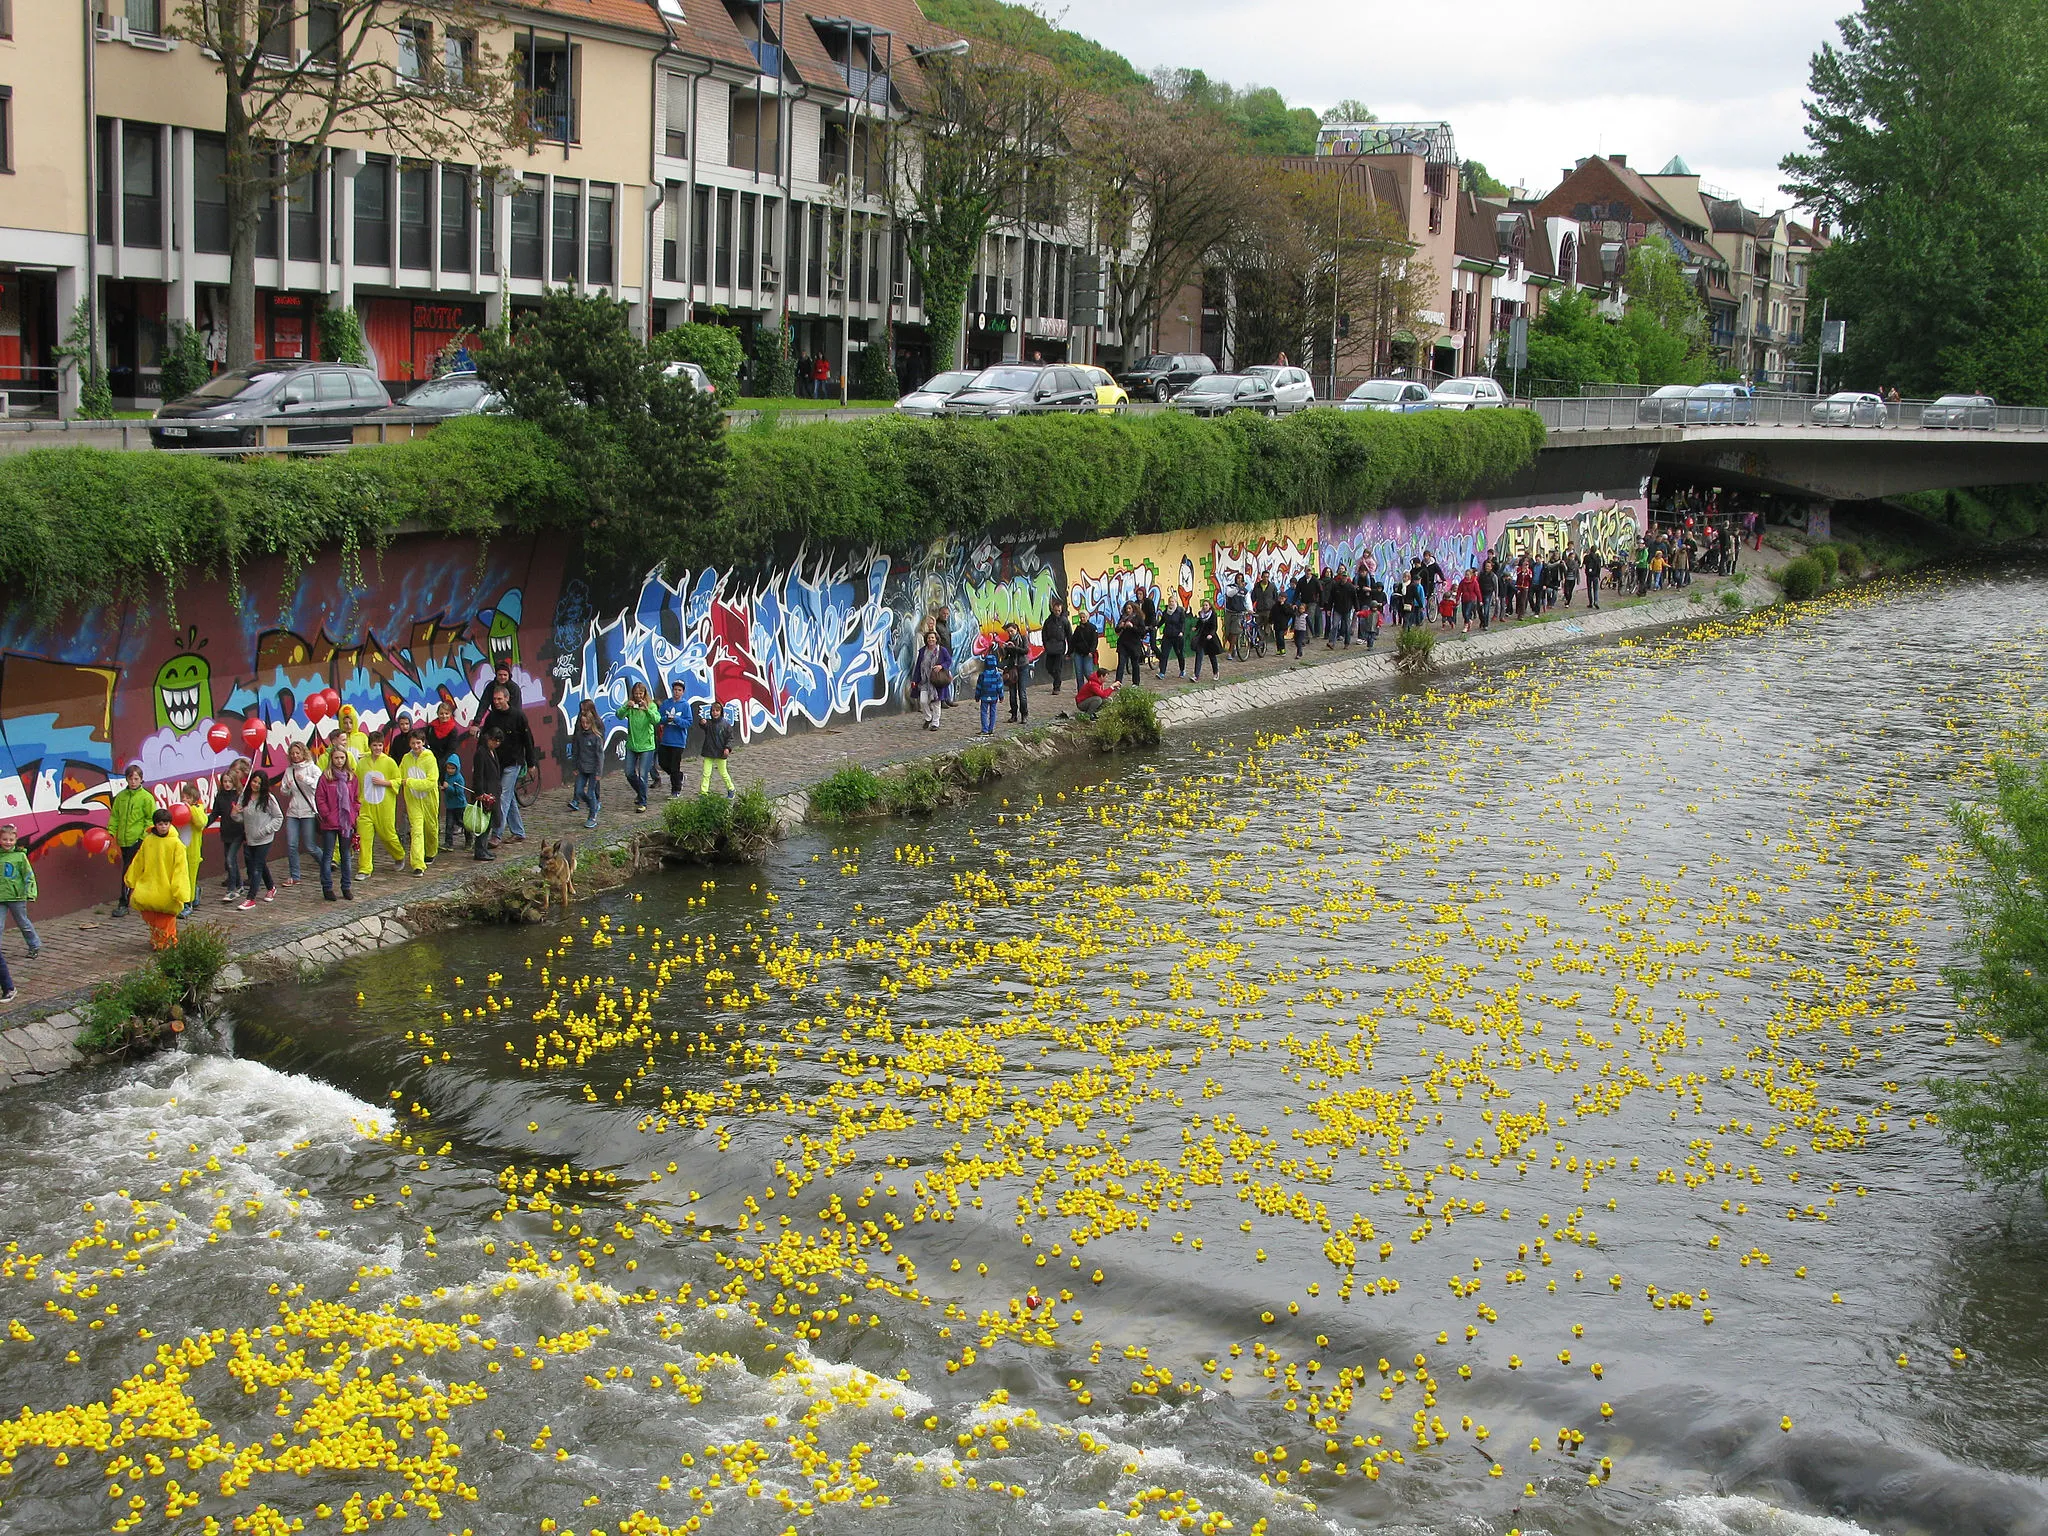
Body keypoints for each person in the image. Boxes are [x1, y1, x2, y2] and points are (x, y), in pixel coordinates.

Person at [125, 809, 193, 951]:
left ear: (170, 824)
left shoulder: (176, 844)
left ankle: (166, 942)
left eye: (166, 824)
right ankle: (159, 939)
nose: (163, 827)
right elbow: (139, 861)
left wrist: (180, 889)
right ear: (155, 824)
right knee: (151, 916)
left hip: (167, 888)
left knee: (165, 918)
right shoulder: (149, 840)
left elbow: (180, 869)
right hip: (149, 885)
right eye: (160, 824)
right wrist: (131, 878)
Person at [477, 684, 535, 845]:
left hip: (513, 762)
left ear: (507, 698)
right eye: (494, 699)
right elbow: (483, 739)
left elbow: (528, 740)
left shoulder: (518, 716)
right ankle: (518, 831)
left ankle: (497, 834)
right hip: (496, 763)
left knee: (502, 797)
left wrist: (531, 763)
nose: (496, 702)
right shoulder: (491, 717)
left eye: (499, 699)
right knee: (508, 798)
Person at [354, 729, 405, 878]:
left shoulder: (389, 762)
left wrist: (385, 782)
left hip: (385, 806)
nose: (377, 748)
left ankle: (399, 854)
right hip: (365, 807)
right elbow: (357, 783)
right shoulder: (362, 763)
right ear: (370, 746)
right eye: (375, 745)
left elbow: (398, 781)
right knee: (364, 838)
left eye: (380, 745)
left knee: (388, 835)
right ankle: (364, 868)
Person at [315, 747, 360, 900]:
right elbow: (320, 798)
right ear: (331, 759)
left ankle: (346, 886)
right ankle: (327, 887)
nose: (339, 761)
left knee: (346, 856)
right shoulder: (326, 777)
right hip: (330, 822)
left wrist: (354, 813)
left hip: (346, 823)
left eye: (342, 758)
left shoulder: (351, 777)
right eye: (336, 758)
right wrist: (327, 814)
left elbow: (355, 799)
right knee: (328, 855)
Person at [109, 764, 155, 915]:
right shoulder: (121, 797)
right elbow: (115, 816)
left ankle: (124, 902)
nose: (133, 781)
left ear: (141, 780)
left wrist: (142, 836)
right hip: (123, 840)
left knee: (128, 870)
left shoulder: (146, 798)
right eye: (131, 778)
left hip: (138, 840)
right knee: (132, 870)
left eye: (136, 779)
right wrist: (110, 832)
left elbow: (151, 818)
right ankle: (137, 897)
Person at [233, 771, 283, 909]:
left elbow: (278, 817)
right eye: (254, 781)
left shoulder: (268, 799)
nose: (255, 785)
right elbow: (241, 818)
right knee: (260, 863)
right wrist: (235, 814)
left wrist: (265, 830)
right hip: (250, 838)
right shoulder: (245, 796)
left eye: (259, 783)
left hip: (265, 838)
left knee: (256, 867)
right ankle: (271, 887)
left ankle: (251, 898)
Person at [399, 729, 441, 874]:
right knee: (416, 830)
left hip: (429, 800)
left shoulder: (430, 758)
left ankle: (431, 851)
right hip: (413, 800)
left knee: (431, 828)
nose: (416, 746)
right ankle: (418, 864)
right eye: (413, 743)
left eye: (418, 743)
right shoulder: (406, 759)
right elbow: (399, 775)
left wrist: (410, 782)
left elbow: (431, 782)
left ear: (423, 742)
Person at [281, 741, 321, 886]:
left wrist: (305, 779)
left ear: (303, 753)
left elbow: (319, 784)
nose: (295, 756)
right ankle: (295, 875)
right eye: (292, 754)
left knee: (310, 846)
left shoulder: (312, 768)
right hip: (293, 812)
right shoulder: (289, 771)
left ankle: (325, 863)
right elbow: (284, 791)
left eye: (297, 753)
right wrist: (287, 787)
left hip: (308, 811)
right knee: (292, 845)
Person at [0, 824, 40, 961]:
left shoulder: (20, 856)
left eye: (11, 840)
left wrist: (31, 892)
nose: (8, 842)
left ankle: (34, 945)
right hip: (1, 897)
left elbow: (29, 875)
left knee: (23, 922)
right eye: (4, 839)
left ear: (16, 840)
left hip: (16, 896)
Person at [621, 681, 660, 814]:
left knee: (643, 775)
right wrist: (626, 707)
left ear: (644, 694)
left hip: (647, 746)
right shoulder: (630, 706)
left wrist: (647, 709)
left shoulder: (651, 705)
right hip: (632, 744)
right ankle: (640, 791)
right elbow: (619, 715)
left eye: (640, 693)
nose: (638, 696)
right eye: (636, 693)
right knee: (629, 773)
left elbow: (656, 720)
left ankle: (643, 802)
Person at [212, 761, 248, 905]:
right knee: (229, 860)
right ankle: (239, 885)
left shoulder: (240, 796)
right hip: (226, 831)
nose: (227, 784)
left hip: (237, 832)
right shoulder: (220, 796)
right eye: (225, 781)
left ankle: (231, 890)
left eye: (229, 781)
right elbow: (215, 813)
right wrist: (204, 823)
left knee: (230, 859)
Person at [568, 699, 605, 829]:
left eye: (587, 723)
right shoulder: (579, 735)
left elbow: (600, 755)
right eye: (583, 723)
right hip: (582, 768)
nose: (584, 725)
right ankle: (592, 805)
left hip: (593, 769)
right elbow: (576, 751)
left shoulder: (596, 737)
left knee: (591, 793)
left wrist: (599, 772)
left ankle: (592, 815)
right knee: (579, 791)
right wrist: (575, 767)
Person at [470, 728, 505, 860]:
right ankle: (479, 850)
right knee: (483, 822)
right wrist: (480, 792)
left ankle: (483, 848)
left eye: (498, 741)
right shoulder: (481, 753)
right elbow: (478, 775)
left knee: (489, 822)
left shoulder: (492, 752)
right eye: (494, 740)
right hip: (485, 792)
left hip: (493, 790)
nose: (496, 743)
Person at [175, 783, 208, 917]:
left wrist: (191, 809)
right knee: (181, 876)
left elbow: (201, 822)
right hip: (180, 849)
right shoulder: (179, 809)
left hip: (192, 851)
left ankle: (188, 904)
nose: (185, 800)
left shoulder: (198, 809)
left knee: (189, 877)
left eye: (188, 798)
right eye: (183, 797)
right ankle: (192, 893)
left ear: (194, 800)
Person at [694, 700, 738, 797]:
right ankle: (703, 792)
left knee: (723, 773)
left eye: (717, 710)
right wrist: (702, 722)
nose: (715, 713)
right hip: (709, 751)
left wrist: (727, 748)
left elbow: (730, 738)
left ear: (721, 712)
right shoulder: (709, 723)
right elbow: (703, 725)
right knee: (706, 773)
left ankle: (731, 789)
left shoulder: (726, 725)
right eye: (713, 710)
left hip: (721, 752)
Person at [657, 681, 693, 797]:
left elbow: (688, 722)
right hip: (666, 739)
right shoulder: (666, 703)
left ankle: (675, 790)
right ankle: (679, 776)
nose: (676, 692)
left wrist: (677, 719)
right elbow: (658, 718)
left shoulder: (685, 705)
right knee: (662, 763)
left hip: (678, 741)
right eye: (675, 690)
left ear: (682, 692)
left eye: (679, 690)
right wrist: (665, 719)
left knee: (674, 766)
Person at [911, 627, 951, 730]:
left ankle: (935, 723)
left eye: (933, 638)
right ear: (926, 639)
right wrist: (915, 680)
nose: (931, 640)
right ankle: (928, 717)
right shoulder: (922, 651)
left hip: (936, 680)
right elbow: (918, 665)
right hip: (925, 680)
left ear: (936, 639)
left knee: (936, 702)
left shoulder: (942, 650)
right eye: (929, 638)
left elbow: (949, 661)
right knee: (923, 701)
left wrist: (941, 666)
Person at [999, 623, 1032, 722]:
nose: (1010, 633)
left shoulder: (1023, 638)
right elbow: (1005, 657)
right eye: (1008, 632)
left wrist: (1014, 648)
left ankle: (1024, 714)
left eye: (1012, 631)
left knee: (1022, 692)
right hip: (1012, 668)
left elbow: (1025, 650)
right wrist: (1003, 649)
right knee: (1012, 693)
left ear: (1016, 629)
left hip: (1022, 666)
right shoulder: (1008, 641)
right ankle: (1014, 714)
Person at [1039, 598, 1073, 695]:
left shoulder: (1064, 621)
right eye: (1055, 610)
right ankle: (1057, 679)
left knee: (1057, 668)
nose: (1057, 612)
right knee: (1049, 667)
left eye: (1059, 610)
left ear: (1061, 610)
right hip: (1050, 647)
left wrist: (1070, 651)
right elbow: (1044, 633)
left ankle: (1056, 686)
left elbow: (1069, 635)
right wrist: (1045, 644)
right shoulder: (1048, 621)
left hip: (1059, 647)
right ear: (1052, 610)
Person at [441, 753, 470, 852]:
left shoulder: (459, 778)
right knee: (449, 824)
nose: (450, 770)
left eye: (452, 768)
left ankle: (469, 841)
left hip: (459, 805)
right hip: (450, 805)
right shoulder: (446, 776)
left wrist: (447, 787)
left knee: (463, 823)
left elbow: (458, 792)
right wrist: (443, 788)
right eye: (448, 768)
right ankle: (448, 843)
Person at [1113, 601, 1146, 684]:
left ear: (1133, 609)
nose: (1128, 610)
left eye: (1129, 608)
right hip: (1123, 643)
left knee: (1135, 664)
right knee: (1121, 664)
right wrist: (1120, 626)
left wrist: (1132, 627)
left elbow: (1142, 631)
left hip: (1134, 644)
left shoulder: (1138, 618)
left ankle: (1136, 682)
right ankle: (1118, 682)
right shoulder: (1123, 617)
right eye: (1126, 608)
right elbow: (1117, 630)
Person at [425, 699, 464, 764]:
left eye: (446, 713)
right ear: (437, 714)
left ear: (450, 714)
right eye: (441, 713)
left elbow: (451, 750)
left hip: (444, 763)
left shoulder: (453, 731)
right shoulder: (431, 727)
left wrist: (441, 763)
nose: (444, 716)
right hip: (430, 760)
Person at [974, 653, 1005, 735]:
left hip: (984, 697)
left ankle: (984, 729)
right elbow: (1000, 687)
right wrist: (1001, 696)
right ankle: (991, 729)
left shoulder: (982, 675)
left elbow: (979, 687)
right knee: (993, 712)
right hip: (994, 697)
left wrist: (977, 696)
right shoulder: (997, 675)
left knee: (984, 712)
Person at [1157, 601, 1189, 679]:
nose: (1171, 603)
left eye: (1172, 601)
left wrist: (1181, 631)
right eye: (1170, 601)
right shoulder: (1166, 612)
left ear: (1175, 602)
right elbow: (1162, 621)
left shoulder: (1180, 611)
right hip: (1167, 636)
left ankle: (1182, 670)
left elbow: (1183, 623)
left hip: (1177, 636)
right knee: (1164, 654)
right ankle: (1162, 673)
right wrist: (1156, 626)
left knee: (1179, 653)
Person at [1069, 611, 1100, 688]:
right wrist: (1069, 653)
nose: (1082, 619)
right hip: (1078, 653)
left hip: (1088, 653)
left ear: (1087, 617)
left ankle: (1095, 687)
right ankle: (1081, 690)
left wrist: (1091, 651)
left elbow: (1094, 641)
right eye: (1081, 617)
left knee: (1088, 672)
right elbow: (1073, 641)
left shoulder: (1092, 628)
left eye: (1084, 617)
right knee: (1079, 673)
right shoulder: (1078, 629)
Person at [1193, 601, 1222, 679]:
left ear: (1209, 606)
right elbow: (1199, 623)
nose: (1205, 607)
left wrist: (1211, 634)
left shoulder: (1213, 615)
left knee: (1212, 656)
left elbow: (1214, 627)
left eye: (1206, 605)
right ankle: (1196, 675)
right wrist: (1196, 628)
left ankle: (1216, 672)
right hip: (1202, 638)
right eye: (1204, 605)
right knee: (1199, 656)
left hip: (1210, 639)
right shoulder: (1201, 614)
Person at [1458, 567, 1481, 634]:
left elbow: (1477, 591)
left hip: (1471, 599)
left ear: (1471, 575)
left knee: (1467, 612)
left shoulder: (1474, 582)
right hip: (1464, 599)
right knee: (1464, 613)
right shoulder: (1463, 582)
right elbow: (1459, 590)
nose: (1467, 576)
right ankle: (1469, 621)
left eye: (1468, 575)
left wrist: (1480, 600)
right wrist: (1457, 598)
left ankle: (1466, 625)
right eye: (1466, 575)